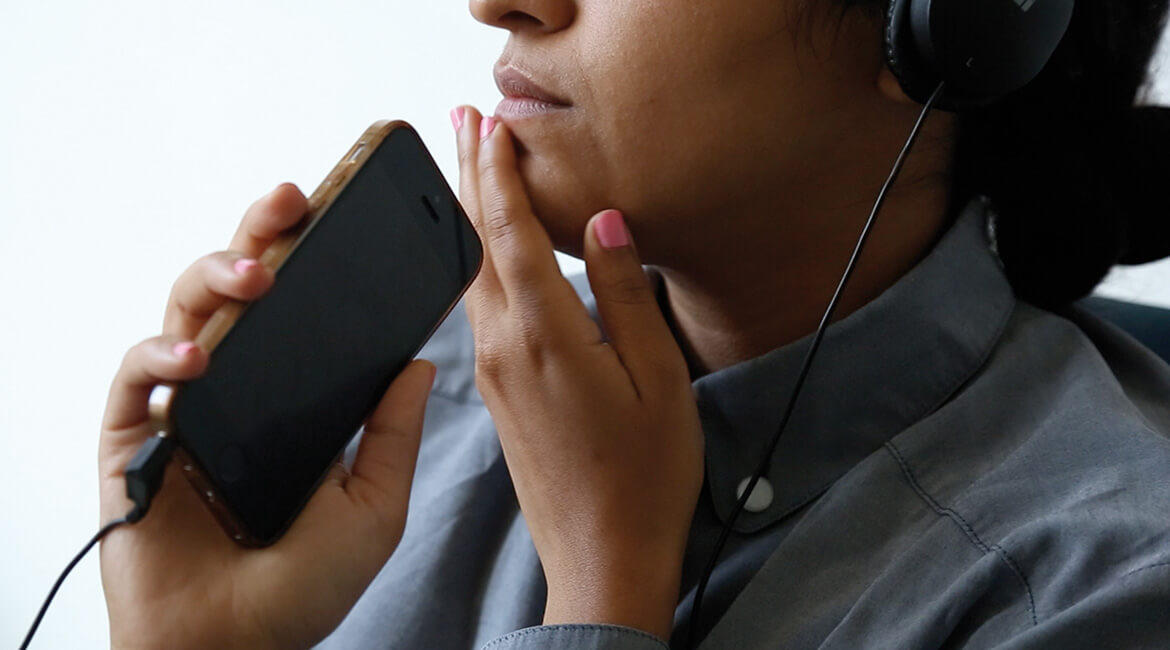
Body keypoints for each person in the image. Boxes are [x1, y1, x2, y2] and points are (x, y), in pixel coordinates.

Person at [97, 1, 1170, 648]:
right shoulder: (415, 395)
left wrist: (601, 594)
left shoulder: (1104, 593)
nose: (497, 5)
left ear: (955, 24)